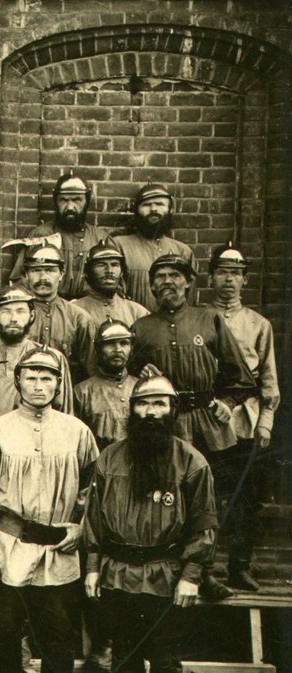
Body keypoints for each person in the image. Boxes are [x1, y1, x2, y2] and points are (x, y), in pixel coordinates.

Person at [85, 376, 217, 673]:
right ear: (133, 409)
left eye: (160, 404)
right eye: (144, 404)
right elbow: (93, 518)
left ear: (172, 410)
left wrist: (191, 576)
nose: (151, 412)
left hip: (166, 573)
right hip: (120, 572)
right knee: (123, 652)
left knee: (165, 657)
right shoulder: (110, 457)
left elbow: (205, 525)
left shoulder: (192, 462)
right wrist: (93, 565)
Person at [0, 348, 99, 673]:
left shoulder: (77, 432)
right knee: (3, 628)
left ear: (59, 384)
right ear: (18, 382)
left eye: (47, 378)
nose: (39, 385)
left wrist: (80, 527)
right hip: (10, 541)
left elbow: (92, 489)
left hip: (58, 548)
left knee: (59, 633)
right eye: (31, 377)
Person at [129, 252, 250, 601]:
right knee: (166, 497)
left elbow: (240, 375)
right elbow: (128, 373)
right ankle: (168, 570)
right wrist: (140, 374)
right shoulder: (142, 327)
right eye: (160, 276)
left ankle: (205, 572)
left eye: (175, 275)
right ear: (151, 285)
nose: (167, 282)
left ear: (188, 282)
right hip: (163, 423)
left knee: (207, 499)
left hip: (207, 423)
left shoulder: (209, 319)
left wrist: (226, 404)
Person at [207, 244, 278, 591]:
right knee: (208, 495)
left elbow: (268, 378)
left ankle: (239, 565)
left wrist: (265, 421)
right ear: (211, 277)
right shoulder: (201, 318)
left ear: (245, 279)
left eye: (235, 273)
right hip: (210, 419)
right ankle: (203, 567)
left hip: (246, 420)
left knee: (245, 496)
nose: (228, 280)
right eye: (222, 272)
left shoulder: (258, 325)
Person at [8, 173, 113, 299]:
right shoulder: (41, 235)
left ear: (87, 201)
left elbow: (115, 284)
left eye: (76, 200)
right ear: (56, 202)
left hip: (89, 309)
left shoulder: (101, 238)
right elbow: (19, 280)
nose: (69, 207)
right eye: (63, 200)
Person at [17, 245, 94, 381]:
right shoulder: (15, 315)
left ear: (61, 274)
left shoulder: (79, 318)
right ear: (26, 275)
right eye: (36, 270)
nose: (43, 277)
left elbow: (91, 370)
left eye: (50, 270)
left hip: (65, 396)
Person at [111, 182, 188, 311]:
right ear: (137, 210)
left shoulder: (182, 251)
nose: (153, 209)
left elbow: (188, 300)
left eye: (159, 204)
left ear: (170, 209)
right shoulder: (119, 245)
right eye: (146, 205)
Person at [0, 288, 73, 412]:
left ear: (31, 316)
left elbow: (63, 411)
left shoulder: (52, 357)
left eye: (20, 311)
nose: (13, 318)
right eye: (6, 312)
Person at [75, 320, 137, 449]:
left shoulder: (141, 388)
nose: (118, 349)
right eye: (110, 344)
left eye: (124, 343)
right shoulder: (82, 392)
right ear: (97, 349)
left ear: (131, 349)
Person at [72, 243, 146, 335]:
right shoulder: (73, 311)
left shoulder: (137, 312)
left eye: (115, 265)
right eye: (101, 265)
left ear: (122, 272)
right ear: (88, 272)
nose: (109, 271)